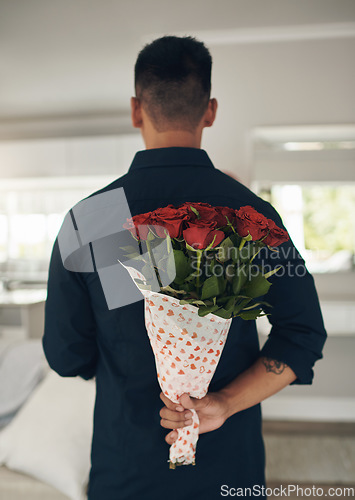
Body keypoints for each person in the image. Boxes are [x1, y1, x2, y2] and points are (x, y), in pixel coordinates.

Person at [42, 35, 327, 499]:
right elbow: (303, 334)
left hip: (126, 463)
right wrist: (223, 403)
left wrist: (124, 361)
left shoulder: (89, 220)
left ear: (137, 110)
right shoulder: (251, 216)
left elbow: (66, 354)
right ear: (210, 111)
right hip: (229, 466)